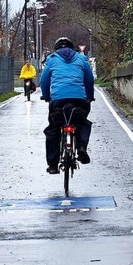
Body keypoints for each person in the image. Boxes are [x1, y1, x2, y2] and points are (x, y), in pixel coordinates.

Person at [39, 36, 95, 174]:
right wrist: (89, 97)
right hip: (79, 99)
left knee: (53, 128)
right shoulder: (81, 59)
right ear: (72, 47)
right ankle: (81, 147)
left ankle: (53, 165)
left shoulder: (51, 59)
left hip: (58, 100)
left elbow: (44, 81)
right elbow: (89, 80)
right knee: (82, 122)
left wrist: (47, 96)